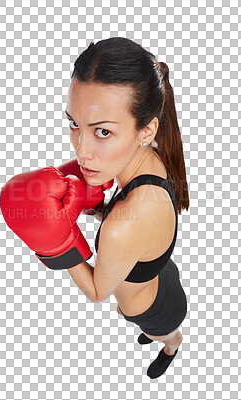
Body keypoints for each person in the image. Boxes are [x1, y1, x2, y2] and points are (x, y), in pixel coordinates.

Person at [65, 37, 189, 379]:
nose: (81, 151)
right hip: (158, 275)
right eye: (75, 124)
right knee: (130, 310)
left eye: (102, 131)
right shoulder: (149, 158)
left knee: (159, 332)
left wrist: (56, 242)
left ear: (146, 130)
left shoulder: (125, 225)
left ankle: (172, 346)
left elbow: (96, 291)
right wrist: (100, 208)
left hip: (156, 310)